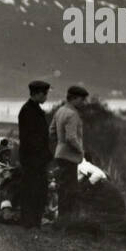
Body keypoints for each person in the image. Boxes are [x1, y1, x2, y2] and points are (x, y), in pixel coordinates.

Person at [49, 85, 89, 224]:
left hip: (60, 154)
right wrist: (81, 150)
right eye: (82, 100)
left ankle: (62, 219)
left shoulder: (60, 110)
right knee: (70, 189)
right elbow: (71, 137)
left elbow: (52, 132)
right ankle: (67, 221)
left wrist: (59, 145)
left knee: (63, 187)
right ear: (76, 99)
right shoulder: (73, 114)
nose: (84, 103)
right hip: (69, 156)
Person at [17, 80, 52, 229]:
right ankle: (30, 221)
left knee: (35, 189)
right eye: (45, 94)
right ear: (37, 94)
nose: (46, 97)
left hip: (34, 157)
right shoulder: (29, 111)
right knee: (33, 189)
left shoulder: (31, 109)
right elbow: (32, 139)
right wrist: (43, 155)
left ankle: (32, 220)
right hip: (33, 158)